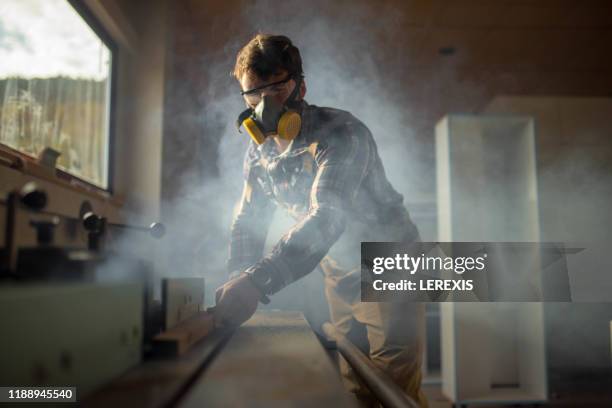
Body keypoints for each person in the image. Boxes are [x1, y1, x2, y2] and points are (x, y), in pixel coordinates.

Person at [214, 33, 428, 407]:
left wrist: (258, 278)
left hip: (391, 263)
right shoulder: (258, 154)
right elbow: (248, 218)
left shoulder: (342, 133)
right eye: (253, 93)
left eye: (276, 88)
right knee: (355, 380)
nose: (263, 103)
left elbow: (327, 217)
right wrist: (238, 275)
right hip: (338, 266)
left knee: (394, 392)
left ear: (300, 86)